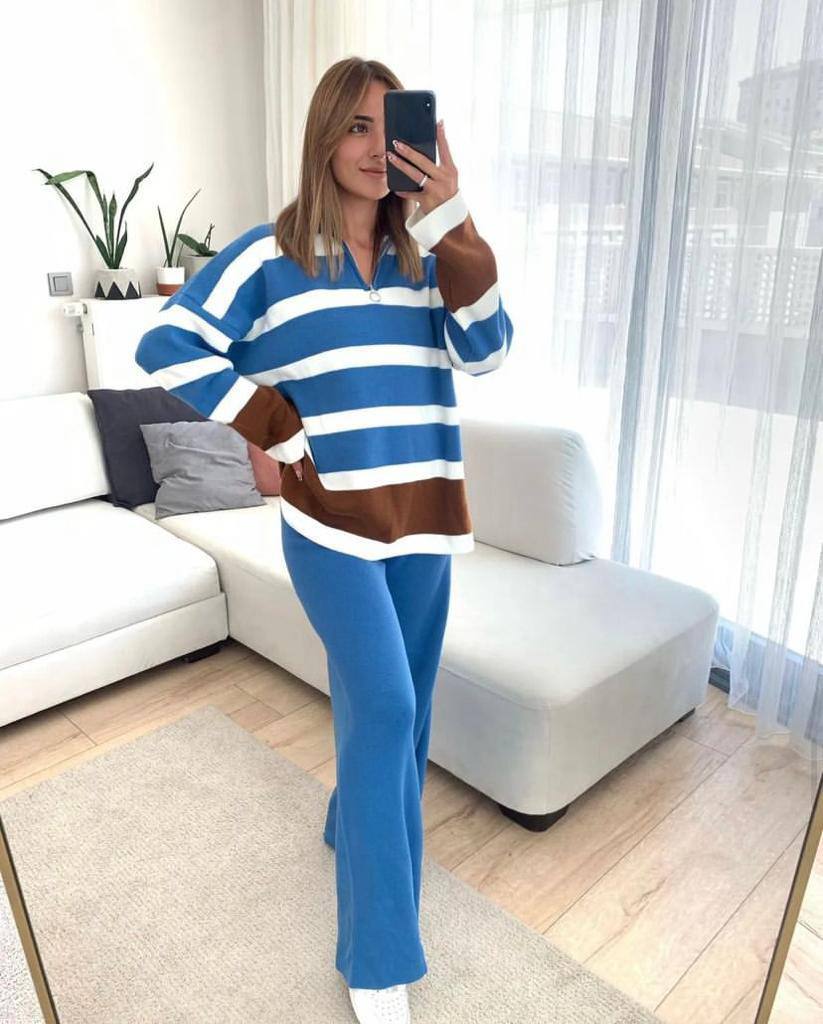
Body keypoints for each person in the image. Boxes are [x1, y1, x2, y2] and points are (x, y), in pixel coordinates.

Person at [135, 56, 513, 1024]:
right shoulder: (271, 256)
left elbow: (489, 352)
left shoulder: (429, 253)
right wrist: (272, 421)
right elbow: (165, 343)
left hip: (424, 521)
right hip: (330, 526)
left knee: (406, 712)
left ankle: (352, 821)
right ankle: (377, 956)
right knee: (383, 707)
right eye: (355, 126)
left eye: (392, 128)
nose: (376, 149)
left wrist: (452, 219)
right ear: (323, 138)